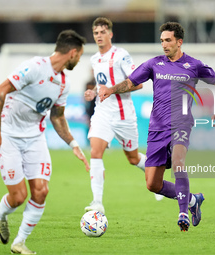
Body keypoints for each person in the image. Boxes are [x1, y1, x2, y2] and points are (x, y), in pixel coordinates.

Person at [99, 22, 215, 232]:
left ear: (179, 42)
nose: (164, 45)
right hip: (157, 129)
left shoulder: (194, 65)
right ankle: (193, 200)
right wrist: (111, 90)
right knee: (152, 185)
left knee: (178, 161)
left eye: (168, 40)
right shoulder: (154, 64)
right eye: (162, 41)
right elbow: (130, 82)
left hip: (181, 124)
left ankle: (183, 212)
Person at [0, 30, 89, 254]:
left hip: (35, 138)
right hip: (9, 137)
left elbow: (57, 116)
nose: (79, 60)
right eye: (80, 55)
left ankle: (19, 242)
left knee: (41, 191)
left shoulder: (64, 84)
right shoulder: (35, 67)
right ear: (72, 53)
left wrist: (73, 144)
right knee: (18, 197)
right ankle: (1, 213)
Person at [84, 17, 162, 214]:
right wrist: (93, 92)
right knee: (95, 152)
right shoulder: (94, 59)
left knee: (133, 158)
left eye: (102, 32)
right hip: (102, 113)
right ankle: (97, 202)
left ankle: (157, 180)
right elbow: (101, 82)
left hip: (123, 115)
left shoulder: (121, 56)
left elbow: (138, 83)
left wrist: (111, 90)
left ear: (111, 34)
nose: (99, 36)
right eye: (96, 33)